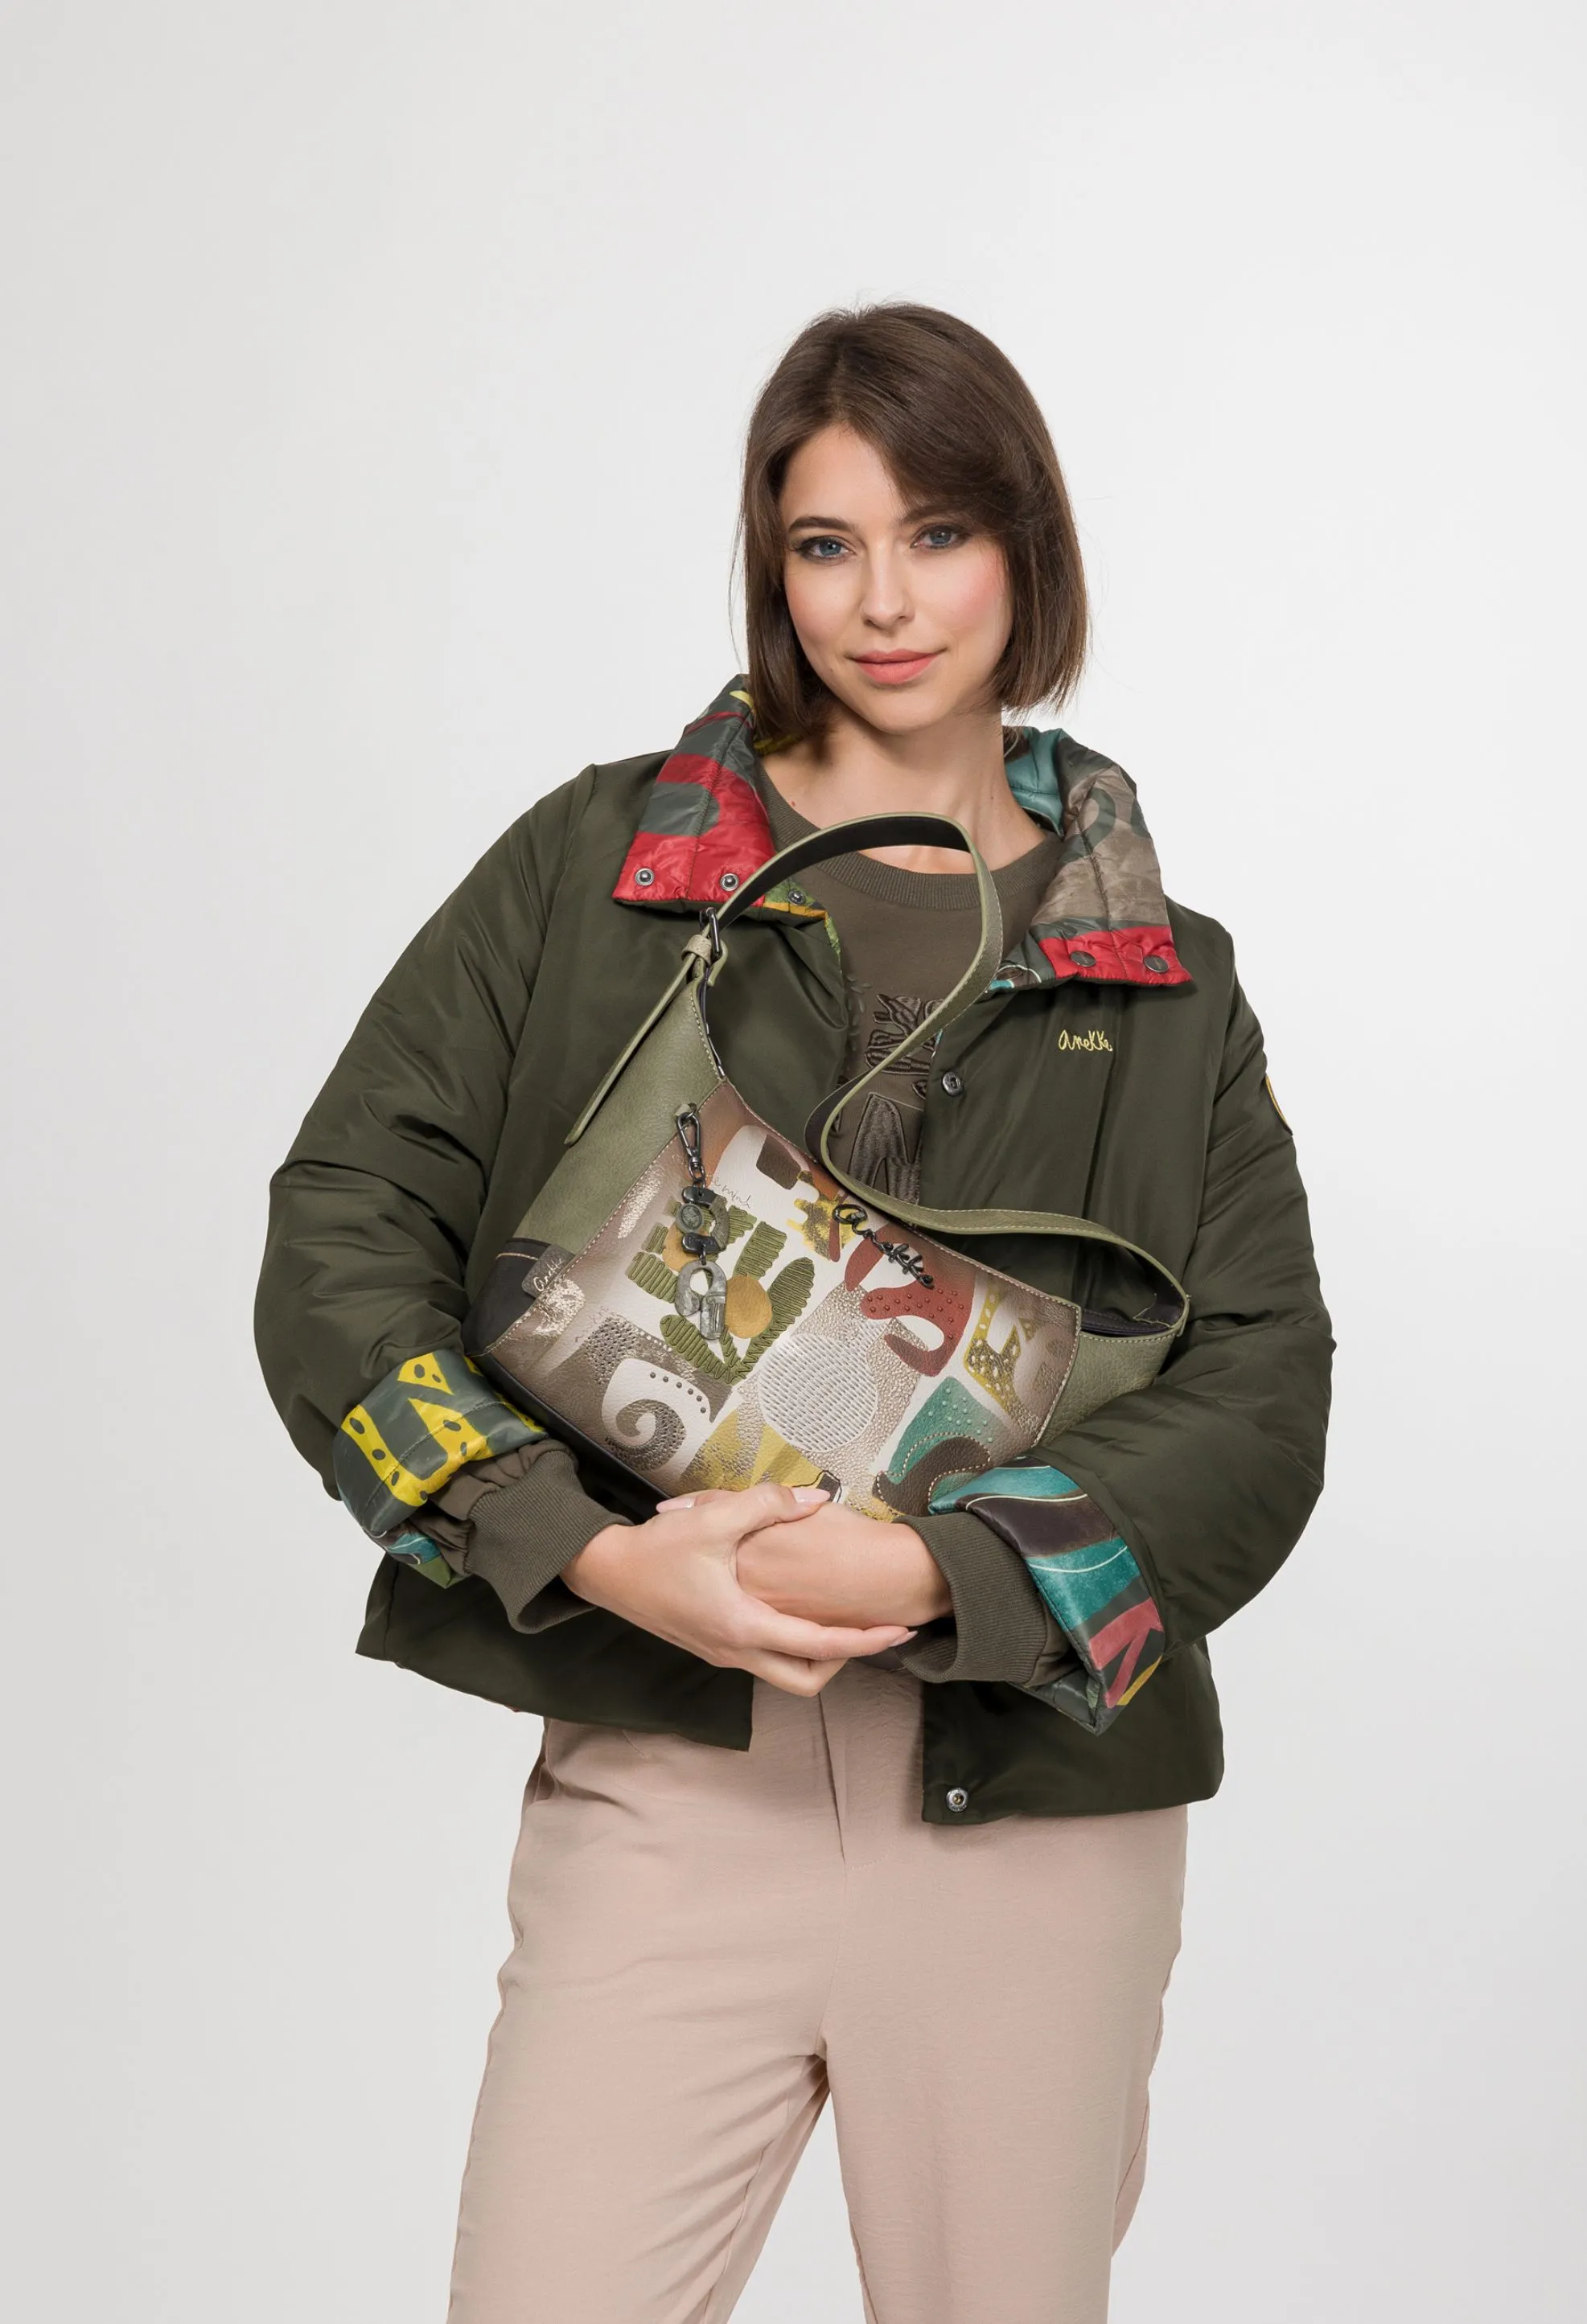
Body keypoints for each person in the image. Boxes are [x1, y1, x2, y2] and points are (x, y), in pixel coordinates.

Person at [254, 302, 1332, 2324]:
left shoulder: (1170, 979)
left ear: (1027, 548)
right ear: (772, 564)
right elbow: (344, 1221)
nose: (881, 601)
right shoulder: (596, 867)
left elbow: (1262, 1394)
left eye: (937, 534)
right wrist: (579, 1548)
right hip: (670, 1772)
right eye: (825, 543)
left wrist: (934, 1567)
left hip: (1030, 1810)